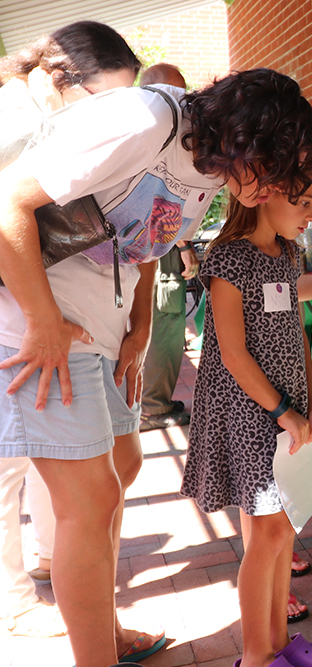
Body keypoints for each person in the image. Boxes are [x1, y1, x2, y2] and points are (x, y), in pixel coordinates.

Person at [0, 48, 312, 667]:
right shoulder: (144, 119)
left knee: (122, 469)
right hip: (37, 321)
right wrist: (41, 321)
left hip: (103, 326)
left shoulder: (213, 171)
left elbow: (147, 239)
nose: (263, 189)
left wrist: (141, 326)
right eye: (265, 168)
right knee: (87, 499)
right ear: (238, 136)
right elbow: (8, 199)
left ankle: (103, 631)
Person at [0, 21, 139, 641]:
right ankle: (16, 604)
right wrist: (43, 321)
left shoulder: (38, 114)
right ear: (59, 77)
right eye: (103, 101)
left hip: (46, 331)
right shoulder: (16, 121)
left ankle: (75, 614)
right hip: (20, 335)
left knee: (71, 483)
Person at [180, 175, 312, 667]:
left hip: (287, 409)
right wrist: (285, 412)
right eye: (305, 202)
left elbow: (295, 331)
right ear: (268, 193)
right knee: (267, 532)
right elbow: (231, 351)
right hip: (248, 412)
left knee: (283, 528)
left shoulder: (289, 254)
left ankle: (279, 647)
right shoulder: (228, 257)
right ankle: (256, 656)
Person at [137, 62, 200, 431]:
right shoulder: (165, 133)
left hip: (146, 245)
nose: (184, 100)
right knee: (166, 323)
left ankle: (150, 403)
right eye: (178, 92)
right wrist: (187, 244)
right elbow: (174, 198)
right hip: (160, 247)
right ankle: (154, 407)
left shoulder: (142, 132)